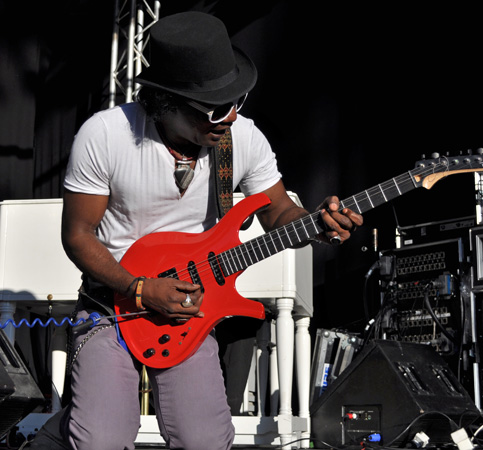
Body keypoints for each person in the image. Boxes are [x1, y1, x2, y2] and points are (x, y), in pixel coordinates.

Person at [33, 11, 362, 450]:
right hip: (113, 304)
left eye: (237, 102)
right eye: (215, 108)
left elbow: (278, 211)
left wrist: (318, 224)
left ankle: (83, 414)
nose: (229, 117)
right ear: (166, 103)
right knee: (102, 441)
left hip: (192, 309)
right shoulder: (106, 135)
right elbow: (77, 234)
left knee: (204, 440)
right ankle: (66, 427)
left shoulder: (241, 137)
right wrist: (139, 288)